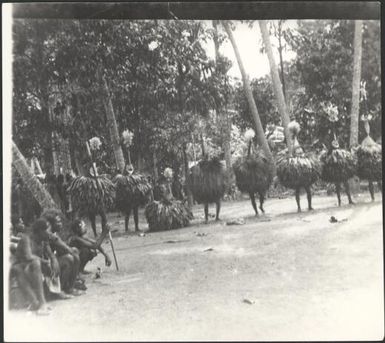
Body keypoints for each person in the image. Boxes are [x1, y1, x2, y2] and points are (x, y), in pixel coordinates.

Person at [10, 219, 53, 315]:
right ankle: (42, 303)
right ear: (40, 231)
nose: (49, 233)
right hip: (18, 268)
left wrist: (49, 263)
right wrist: (45, 262)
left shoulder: (41, 241)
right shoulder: (26, 238)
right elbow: (29, 256)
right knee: (36, 262)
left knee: (37, 263)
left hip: (27, 268)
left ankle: (36, 303)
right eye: (47, 230)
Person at [40, 209, 84, 296]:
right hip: (43, 267)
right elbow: (64, 248)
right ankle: (62, 290)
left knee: (73, 252)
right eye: (58, 222)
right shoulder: (48, 234)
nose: (61, 224)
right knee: (70, 258)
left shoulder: (52, 233)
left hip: (47, 263)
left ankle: (69, 286)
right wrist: (54, 258)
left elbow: (62, 248)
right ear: (51, 223)